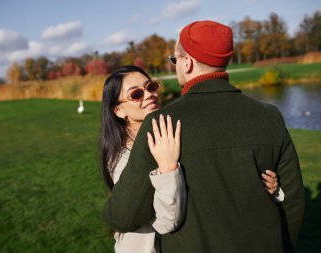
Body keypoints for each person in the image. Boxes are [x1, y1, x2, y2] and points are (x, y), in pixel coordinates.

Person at [103, 21, 304, 253]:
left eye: (175, 59)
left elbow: (123, 216)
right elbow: (293, 202)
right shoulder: (270, 116)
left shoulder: (161, 124)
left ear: (187, 63)